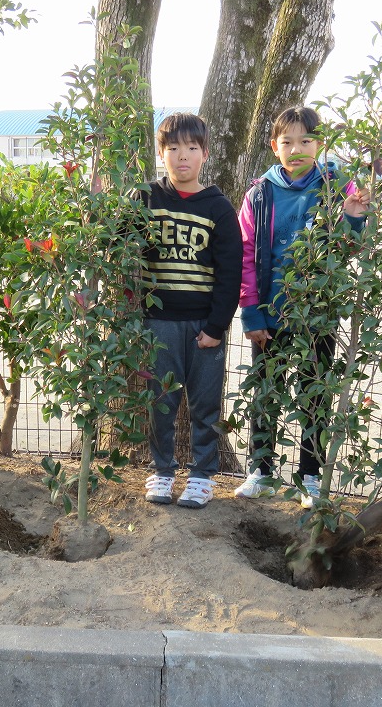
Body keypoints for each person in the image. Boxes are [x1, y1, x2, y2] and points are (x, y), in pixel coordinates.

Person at [233, 106, 369, 505]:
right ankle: (261, 470)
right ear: (274, 146)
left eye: (306, 141)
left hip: (317, 315)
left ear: (320, 144)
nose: (296, 149)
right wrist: (252, 312)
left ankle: (310, 475)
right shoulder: (259, 194)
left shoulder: (336, 187)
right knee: (266, 391)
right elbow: (246, 255)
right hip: (270, 314)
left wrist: (355, 219)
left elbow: (350, 248)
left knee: (315, 393)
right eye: (287, 141)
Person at [140, 112, 242, 509]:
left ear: (205, 154)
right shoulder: (147, 198)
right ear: (161, 153)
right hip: (158, 322)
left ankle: (202, 474)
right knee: (160, 401)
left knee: (204, 403)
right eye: (173, 148)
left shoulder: (218, 208)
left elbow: (230, 272)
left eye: (192, 148)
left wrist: (217, 325)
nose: (183, 156)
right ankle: (162, 470)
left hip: (204, 325)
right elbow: (118, 243)